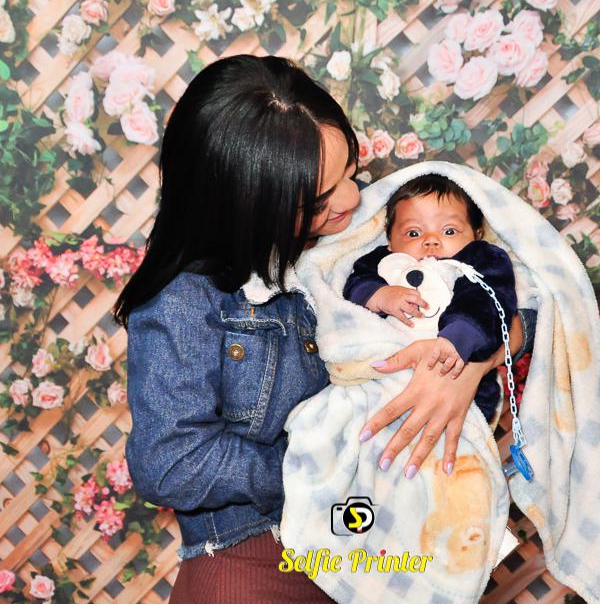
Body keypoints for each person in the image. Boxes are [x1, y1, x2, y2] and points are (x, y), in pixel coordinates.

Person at [112, 54, 523, 603]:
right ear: (249, 204)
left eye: (351, 171)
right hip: (254, 565)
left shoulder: (357, 233)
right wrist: (327, 463)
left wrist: (462, 372)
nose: (352, 199)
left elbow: (513, 306)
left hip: (371, 545)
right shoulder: (184, 301)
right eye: (320, 198)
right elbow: (169, 464)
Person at [342, 173, 528, 427]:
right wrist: (380, 295)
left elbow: (489, 300)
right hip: (379, 380)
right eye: (413, 232)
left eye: (449, 231)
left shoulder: (477, 261)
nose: (431, 240)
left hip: (456, 389)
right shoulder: (385, 261)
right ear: (390, 239)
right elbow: (355, 284)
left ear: (476, 234)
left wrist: (459, 337)